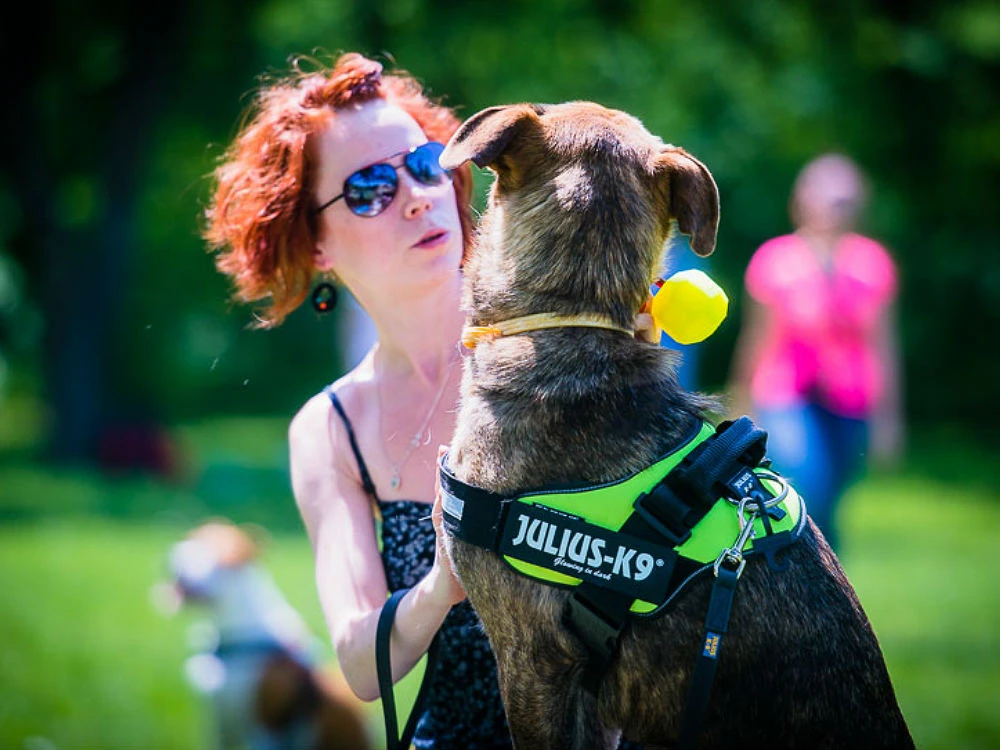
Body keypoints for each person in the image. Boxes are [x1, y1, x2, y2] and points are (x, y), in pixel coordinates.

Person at [202, 52, 511, 748]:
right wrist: (440, 586)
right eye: (369, 188)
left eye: (425, 163)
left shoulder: (555, 345)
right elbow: (359, 663)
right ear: (314, 242)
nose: (416, 197)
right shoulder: (330, 429)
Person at [728, 153, 903, 551]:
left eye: (845, 198)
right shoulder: (775, 260)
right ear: (802, 200)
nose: (836, 206)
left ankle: (825, 567)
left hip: (849, 399)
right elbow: (758, 338)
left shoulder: (872, 264)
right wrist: (742, 405)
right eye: (827, 194)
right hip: (786, 393)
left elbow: (883, 346)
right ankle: (805, 558)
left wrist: (889, 419)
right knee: (809, 480)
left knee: (832, 498)